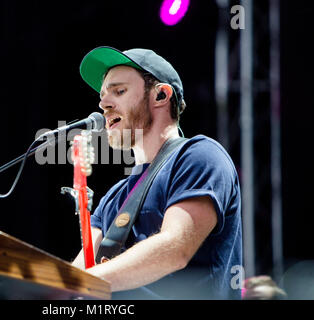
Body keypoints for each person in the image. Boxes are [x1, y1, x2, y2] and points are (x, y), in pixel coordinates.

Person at [71, 46, 243, 300]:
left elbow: (175, 249)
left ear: (161, 95)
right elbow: (72, 276)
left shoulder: (200, 156)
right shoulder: (113, 198)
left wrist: (81, 283)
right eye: (103, 95)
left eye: (119, 91)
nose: (103, 104)